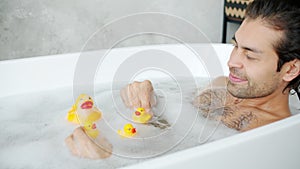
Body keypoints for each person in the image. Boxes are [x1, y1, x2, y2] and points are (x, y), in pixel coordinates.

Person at [65, 0, 300, 159]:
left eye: (249, 54)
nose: (232, 61)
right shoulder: (220, 84)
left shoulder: (274, 137)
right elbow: (174, 131)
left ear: (290, 70)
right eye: (235, 45)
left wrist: (110, 159)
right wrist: (148, 99)